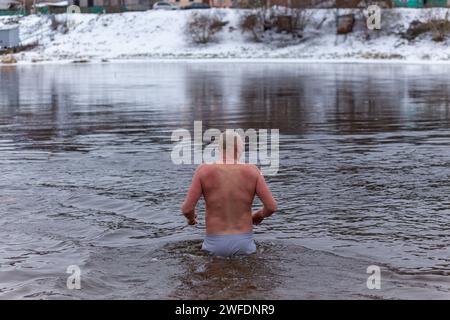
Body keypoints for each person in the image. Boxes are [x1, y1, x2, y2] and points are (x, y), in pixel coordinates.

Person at [181, 131, 277, 257]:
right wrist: (259, 215)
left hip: (214, 243)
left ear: (220, 148)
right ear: (239, 147)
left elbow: (187, 209)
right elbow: (271, 207)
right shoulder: (253, 171)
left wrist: (191, 219)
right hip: (244, 243)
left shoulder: (203, 171)